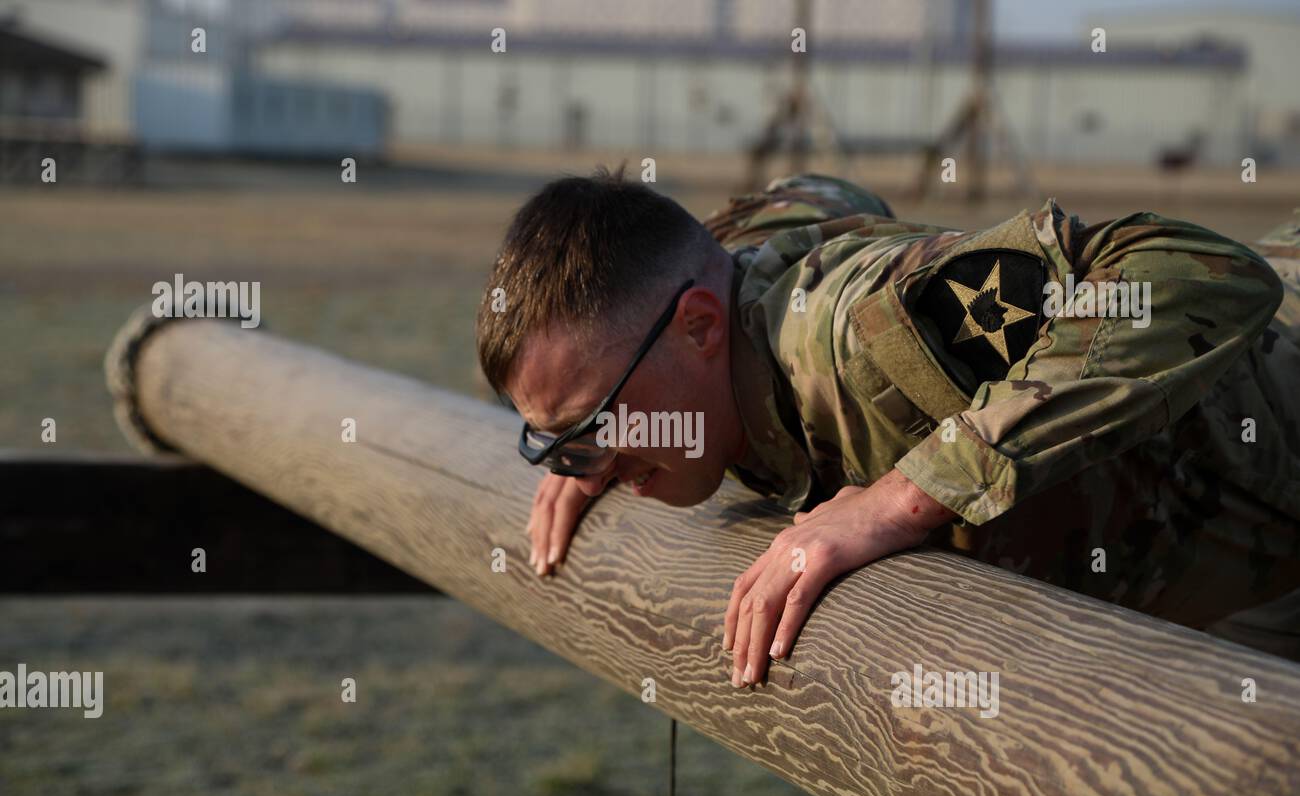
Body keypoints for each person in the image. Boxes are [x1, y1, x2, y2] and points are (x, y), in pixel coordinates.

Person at [476, 166, 1300, 683]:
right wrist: (602, 443)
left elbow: (1195, 270)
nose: (586, 463)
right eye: (554, 441)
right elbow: (825, 193)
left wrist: (907, 495)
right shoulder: (716, 294)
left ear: (698, 327)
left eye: (591, 423)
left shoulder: (872, 334)